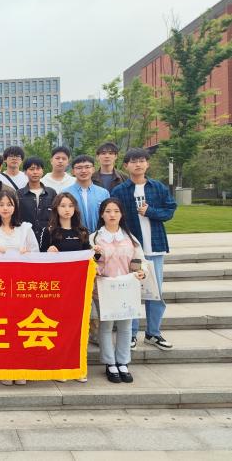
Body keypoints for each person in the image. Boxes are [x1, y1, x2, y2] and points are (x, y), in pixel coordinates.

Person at [111, 148, 177, 351]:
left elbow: (170, 210)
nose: (138, 164)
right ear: (126, 166)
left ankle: (153, 333)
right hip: (131, 250)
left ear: (147, 164)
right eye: (133, 161)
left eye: (141, 161)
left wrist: (150, 211)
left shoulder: (158, 187)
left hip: (155, 248)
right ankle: (130, 333)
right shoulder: (120, 191)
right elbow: (114, 218)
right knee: (132, 291)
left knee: (155, 293)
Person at [0, 189, 38, 387]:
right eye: (1, 204)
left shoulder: (25, 229)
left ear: (15, 207)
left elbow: (36, 255)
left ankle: (20, 368)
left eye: (9, 204)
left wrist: (25, 253)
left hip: (21, 286)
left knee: (20, 326)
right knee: (2, 328)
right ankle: (3, 367)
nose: (5, 208)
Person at [90, 198, 146, 383]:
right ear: (102, 214)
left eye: (116, 211)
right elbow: (91, 262)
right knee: (106, 326)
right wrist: (96, 257)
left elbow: (139, 261)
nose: (112, 215)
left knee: (125, 326)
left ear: (122, 214)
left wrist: (141, 272)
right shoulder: (95, 238)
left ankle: (123, 362)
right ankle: (110, 363)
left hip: (126, 289)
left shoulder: (129, 238)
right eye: (108, 211)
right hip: (104, 289)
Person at [39, 192, 91, 383]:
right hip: (56, 289)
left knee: (77, 329)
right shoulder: (49, 231)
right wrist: (48, 251)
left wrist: (96, 253)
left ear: (75, 208)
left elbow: (89, 258)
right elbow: (39, 258)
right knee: (59, 329)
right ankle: (60, 367)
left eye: (70, 206)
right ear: (56, 208)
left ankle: (78, 367)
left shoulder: (82, 231)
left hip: (77, 289)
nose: (67, 209)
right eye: (63, 206)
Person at [63, 155, 110, 233]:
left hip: (100, 236)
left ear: (93, 169)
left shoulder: (103, 193)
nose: (83, 171)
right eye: (79, 168)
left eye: (87, 167)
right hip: (74, 236)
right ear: (73, 171)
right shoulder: (65, 193)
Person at [17, 156, 57, 240]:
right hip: (26, 238)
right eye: (31, 169)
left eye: (38, 169)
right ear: (25, 172)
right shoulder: (19, 194)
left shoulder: (51, 193)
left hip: (48, 238)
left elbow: (56, 214)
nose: (35, 172)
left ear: (42, 171)